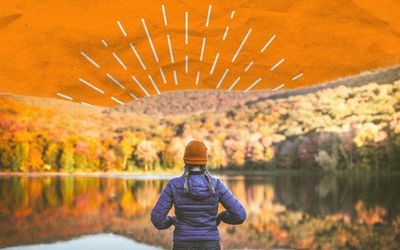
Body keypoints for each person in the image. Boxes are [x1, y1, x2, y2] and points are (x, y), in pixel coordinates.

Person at [151, 140, 246, 250]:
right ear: (204, 162)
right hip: (210, 244)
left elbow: (157, 219)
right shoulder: (217, 185)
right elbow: (240, 216)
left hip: (182, 244)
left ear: (185, 161)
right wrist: (221, 216)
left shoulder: (174, 185)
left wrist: (171, 221)